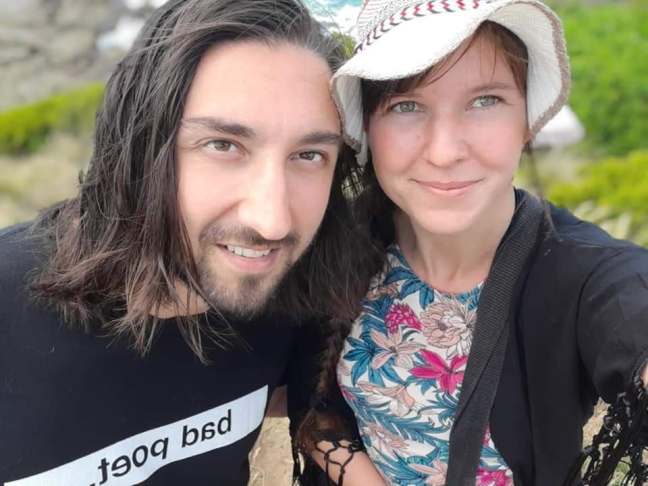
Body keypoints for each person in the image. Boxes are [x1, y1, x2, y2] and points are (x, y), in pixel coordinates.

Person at [0, 0, 370, 484]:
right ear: (137, 144)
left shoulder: (284, 301)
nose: (272, 222)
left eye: (308, 155)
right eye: (223, 145)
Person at [289, 0, 648, 484]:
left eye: (485, 101)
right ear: (368, 127)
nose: (444, 152)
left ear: (527, 120)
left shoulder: (582, 272)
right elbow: (311, 400)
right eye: (405, 106)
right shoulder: (338, 246)